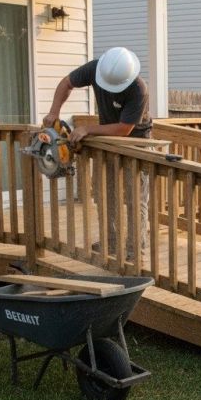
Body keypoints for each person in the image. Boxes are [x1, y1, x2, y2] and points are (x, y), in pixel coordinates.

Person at [43, 46, 152, 259]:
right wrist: (54, 111)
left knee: (135, 197)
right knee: (105, 192)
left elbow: (124, 129)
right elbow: (67, 83)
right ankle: (111, 242)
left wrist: (88, 129)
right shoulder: (96, 68)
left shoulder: (139, 89)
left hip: (136, 144)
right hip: (106, 141)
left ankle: (135, 248)